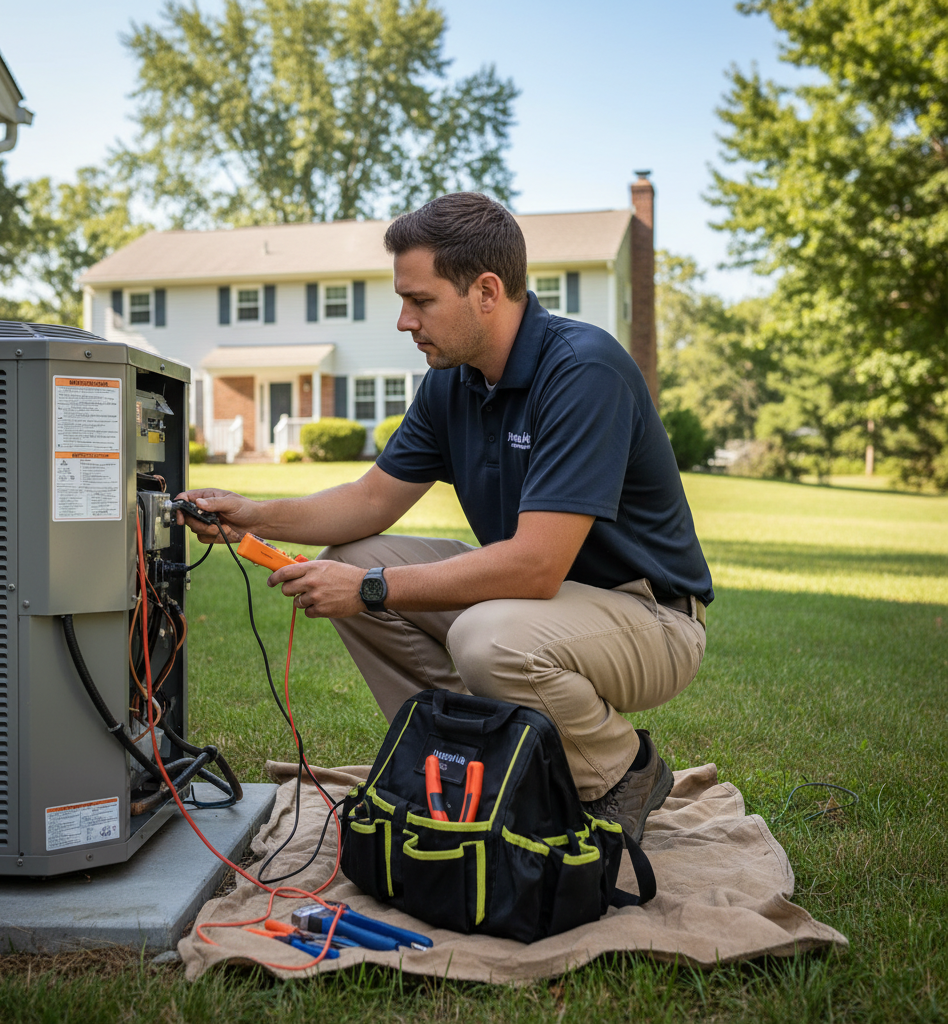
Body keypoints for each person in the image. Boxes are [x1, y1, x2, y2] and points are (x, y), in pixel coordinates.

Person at [178, 192, 712, 843]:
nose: (404, 320)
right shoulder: (452, 382)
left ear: (486, 290)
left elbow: (538, 565)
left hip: (649, 618)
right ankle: (474, 763)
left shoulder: (581, 371)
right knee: (349, 558)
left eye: (421, 300)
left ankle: (622, 771)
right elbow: (371, 500)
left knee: (484, 636)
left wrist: (372, 590)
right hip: (541, 605)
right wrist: (252, 515)